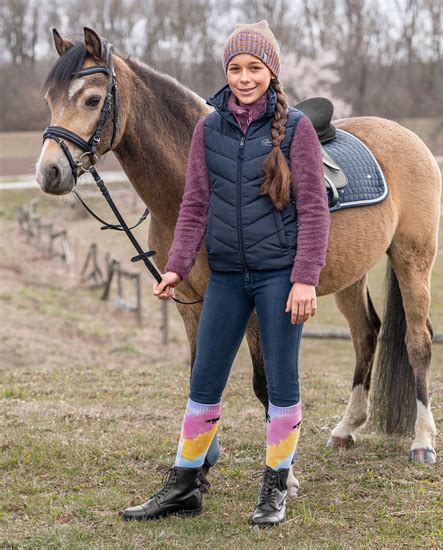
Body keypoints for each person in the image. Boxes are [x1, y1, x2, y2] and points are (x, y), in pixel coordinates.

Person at [122, 19, 330, 527]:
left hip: (279, 276)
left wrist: (305, 277)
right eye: (235, 68)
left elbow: (314, 210)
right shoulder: (208, 128)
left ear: (271, 72)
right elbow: (193, 205)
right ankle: (185, 483)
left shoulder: (297, 129)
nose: (243, 77)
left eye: (254, 68)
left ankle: (275, 486)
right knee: (204, 381)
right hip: (227, 278)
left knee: (282, 383)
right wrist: (174, 266)